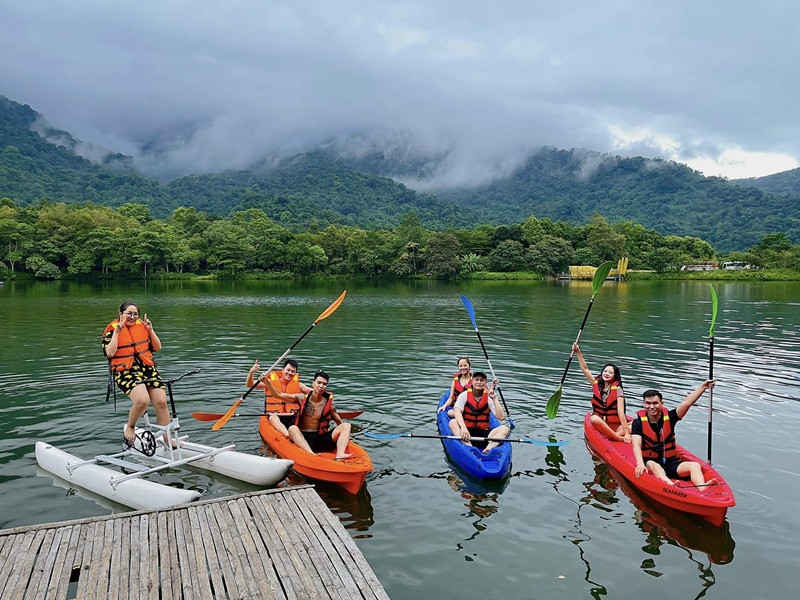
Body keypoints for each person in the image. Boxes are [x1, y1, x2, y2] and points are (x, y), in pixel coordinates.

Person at [102, 302, 168, 447]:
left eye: (135, 314)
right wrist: (118, 333)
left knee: (161, 402)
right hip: (126, 372)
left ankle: (167, 439)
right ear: (121, 314)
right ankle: (131, 427)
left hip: (147, 369)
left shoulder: (143, 328)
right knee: (142, 400)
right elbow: (110, 353)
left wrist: (150, 330)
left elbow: (158, 347)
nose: (132, 317)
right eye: (129, 314)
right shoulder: (112, 331)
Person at [632, 380, 719, 487]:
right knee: (655, 466)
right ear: (644, 404)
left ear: (661, 404)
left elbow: (687, 403)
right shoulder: (638, 423)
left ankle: (702, 488)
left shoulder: (671, 417)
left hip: (670, 462)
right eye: (648, 403)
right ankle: (672, 487)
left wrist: (703, 387)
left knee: (695, 465)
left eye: (655, 403)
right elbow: (636, 444)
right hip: (650, 462)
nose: (652, 407)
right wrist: (640, 464)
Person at [262, 370, 353, 460]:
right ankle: (311, 455)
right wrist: (266, 381)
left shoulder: (329, 406)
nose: (321, 386)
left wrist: (347, 437)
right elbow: (278, 394)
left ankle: (340, 454)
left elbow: (339, 423)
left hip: (320, 439)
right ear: (313, 383)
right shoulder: (301, 398)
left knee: (346, 425)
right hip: (303, 438)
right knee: (292, 428)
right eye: (319, 383)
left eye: (324, 384)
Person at [573, 343, 631, 443]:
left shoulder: (618, 389)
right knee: (594, 418)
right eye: (605, 371)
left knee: (639, 423)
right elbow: (585, 369)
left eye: (610, 373)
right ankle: (617, 437)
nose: (607, 374)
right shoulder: (596, 383)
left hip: (615, 426)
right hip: (600, 424)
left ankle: (612, 436)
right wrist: (578, 352)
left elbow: (621, 412)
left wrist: (626, 433)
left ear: (615, 376)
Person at [246, 359, 311, 436]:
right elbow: (250, 384)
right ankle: (288, 436)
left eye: (293, 371)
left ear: (295, 373)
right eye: (288, 370)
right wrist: (251, 372)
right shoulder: (269, 382)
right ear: (282, 370)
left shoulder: (299, 385)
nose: (290, 373)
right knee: (273, 417)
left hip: (292, 416)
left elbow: (315, 392)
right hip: (275, 416)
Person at [450, 371, 509, 454]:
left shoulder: (488, 399)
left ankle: (489, 448)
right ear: (472, 381)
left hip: (485, 435)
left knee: (505, 428)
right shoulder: (464, 395)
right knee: (453, 422)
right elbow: (457, 411)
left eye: (482, 380)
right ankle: (469, 448)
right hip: (466, 434)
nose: (479, 382)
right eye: (476, 379)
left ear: (485, 382)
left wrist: (495, 398)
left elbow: (501, 417)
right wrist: (463, 428)